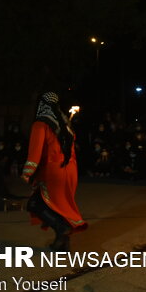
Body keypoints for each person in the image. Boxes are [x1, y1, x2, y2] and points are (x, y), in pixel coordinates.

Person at [21, 92, 87, 251]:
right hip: (70, 170)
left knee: (35, 203)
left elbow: (35, 153)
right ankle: (62, 245)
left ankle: (61, 228)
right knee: (60, 206)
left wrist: (27, 172)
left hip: (54, 171)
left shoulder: (41, 124)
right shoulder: (65, 124)